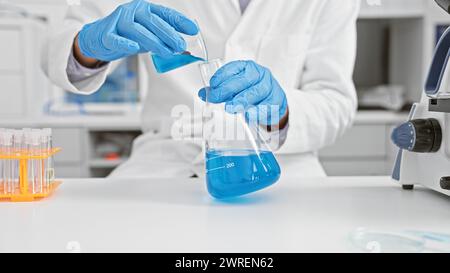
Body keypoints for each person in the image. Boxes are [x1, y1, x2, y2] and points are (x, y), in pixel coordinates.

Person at [42, 0, 360, 178]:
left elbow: (336, 101)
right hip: (165, 162)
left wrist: (280, 110)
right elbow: (55, 48)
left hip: (285, 167)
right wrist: (89, 43)